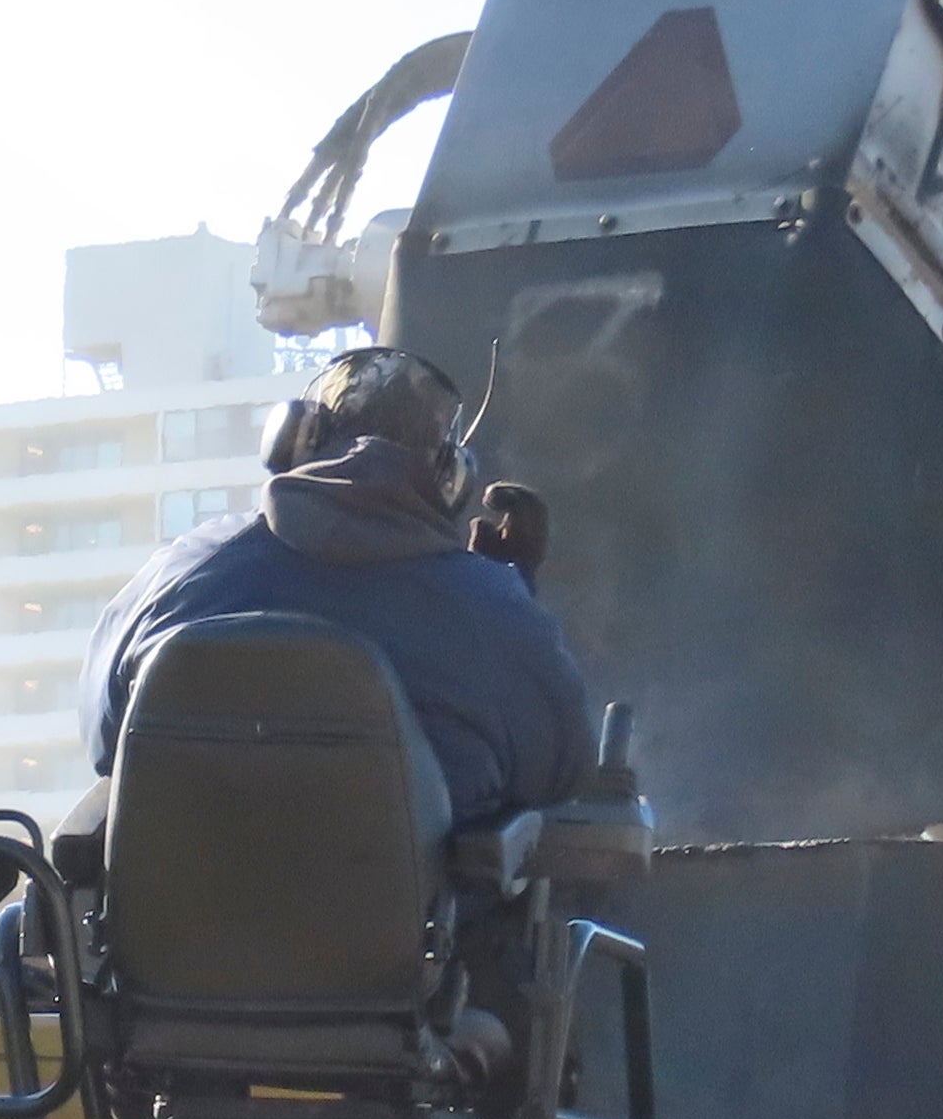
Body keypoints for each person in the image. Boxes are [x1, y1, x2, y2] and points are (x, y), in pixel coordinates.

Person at [78, 343, 591, 833]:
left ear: (291, 439)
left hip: (171, 921)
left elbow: (104, 737)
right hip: (414, 925)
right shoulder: (492, 610)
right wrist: (511, 585)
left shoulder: (185, 570)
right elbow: (562, 769)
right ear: (450, 479)